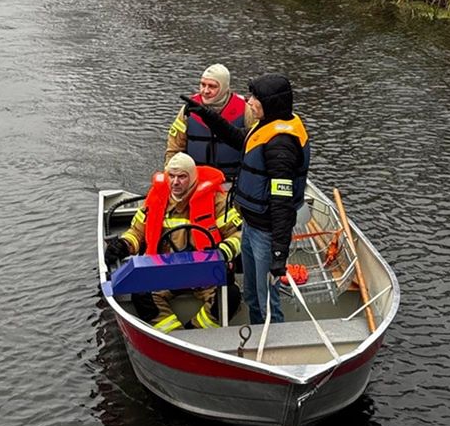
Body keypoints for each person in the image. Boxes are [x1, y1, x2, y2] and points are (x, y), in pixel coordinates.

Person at [182, 74, 309, 326]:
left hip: (266, 233)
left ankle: (273, 341)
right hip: (250, 225)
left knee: (266, 301)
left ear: (270, 103)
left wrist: (279, 252)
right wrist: (207, 115)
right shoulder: (267, 126)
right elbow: (238, 138)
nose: (249, 102)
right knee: (251, 294)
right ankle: (255, 332)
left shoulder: (281, 145)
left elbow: (282, 203)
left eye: (255, 98)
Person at [105, 153, 242, 332]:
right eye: (171, 176)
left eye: (182, 177)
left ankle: (197, 331)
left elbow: (238, 235)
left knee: (231, 295)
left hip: (205, 273)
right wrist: (124, 245)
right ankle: (172, 335)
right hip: (166, 272)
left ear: (192, 178)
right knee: (141, 294)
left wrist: (223, 252)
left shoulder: (217, 201)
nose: (175, 182)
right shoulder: (156, 200)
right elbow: (138, 232)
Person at [165, 63, 247, 184]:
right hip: (195, 181)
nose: (205, 91)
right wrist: (170, 176)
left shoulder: (245, 109)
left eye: (212, 86)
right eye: (203, 85)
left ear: (224, 87)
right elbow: (174, 147)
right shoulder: (188, 110)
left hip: (232, 182)